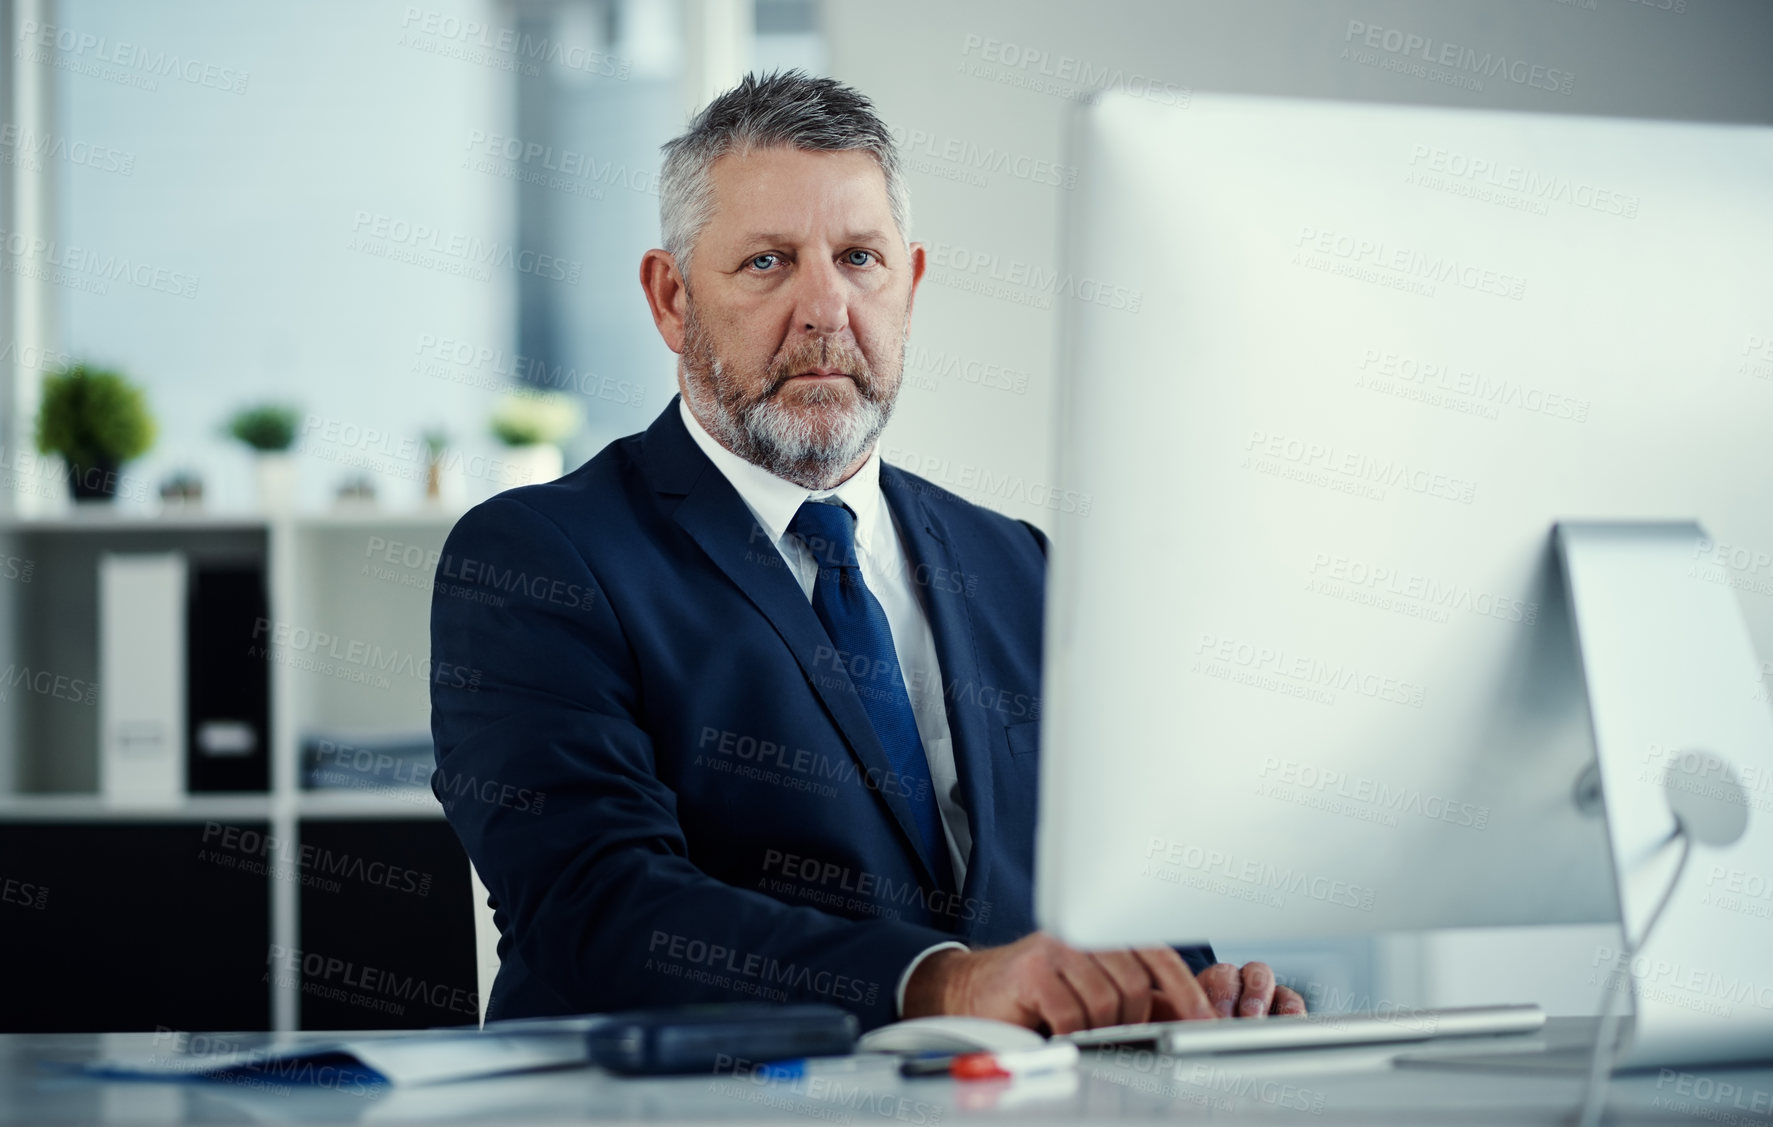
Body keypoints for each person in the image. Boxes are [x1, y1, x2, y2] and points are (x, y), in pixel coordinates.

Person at [430, 69, 1305, 1032]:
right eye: (767, 262)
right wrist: (939, 983)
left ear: (910, 285)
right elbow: (595, 906)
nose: (824, 308)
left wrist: (1187, 987)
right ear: (672, 298)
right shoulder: (537, 559)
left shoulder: (1021, 566)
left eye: (858, 258)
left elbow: (1112, 897)